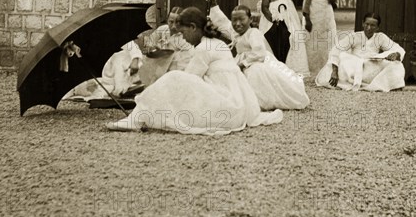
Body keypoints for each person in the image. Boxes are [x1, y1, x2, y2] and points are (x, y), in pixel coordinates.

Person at [106, 7, 284, 134]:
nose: (182, 37)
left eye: (183, 33)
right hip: (236, 103)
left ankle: (138, 117)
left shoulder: (203, 49)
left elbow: (188, 79)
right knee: (174, 79)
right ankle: (141, 115)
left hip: (227, 106)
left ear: (193, 27)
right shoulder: (217, 43)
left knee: (174, 77)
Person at [64, 6, 193, 101]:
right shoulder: (163, 30)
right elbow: (149, 44)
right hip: (153, 62)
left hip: (169, 67)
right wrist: (150, 49)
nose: (174, 26)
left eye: (178, 22)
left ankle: (130, 89)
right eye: (171, 22)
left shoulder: (185, 38)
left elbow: (184, 61)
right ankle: (125, 88)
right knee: (120, 57)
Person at [206, 0, 309, 111]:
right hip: (244, 60)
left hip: (257, 61)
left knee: (255, 74)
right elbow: (223, 22)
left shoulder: (253, 33)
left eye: (242, 19)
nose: (238, 24)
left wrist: (242, 64)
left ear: (250, 20)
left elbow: (259, 53)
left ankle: (258, 102)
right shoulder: (235, 32)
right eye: (234, 20)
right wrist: (213, 4)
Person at [315, 12, 406, 91]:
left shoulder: (380, 37)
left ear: (377, 27)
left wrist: (396, 54)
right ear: (363, 24)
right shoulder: (354, 36)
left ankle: (389, 84)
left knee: (397, 64)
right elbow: (337, 49)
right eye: (367, 24)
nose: (369, 28)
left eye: (373, 25)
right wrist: (334, 71)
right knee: (341, 56)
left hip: (371, 68)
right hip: (353, 68)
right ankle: (350, 81)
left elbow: (398, 48)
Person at [258, 0, 310, 76]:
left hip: (290, 18)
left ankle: (292, 67)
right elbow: (264, 7)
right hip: (275, 18)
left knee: (294, 38)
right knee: (275, 42)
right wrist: (272, 18)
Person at [302, 0, 338, 76]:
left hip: (327, 16)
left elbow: (335, 5)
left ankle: (326, 67)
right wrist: (307, 18)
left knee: (328, 41)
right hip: (315, 15)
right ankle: (313, 68)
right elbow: (306, 2)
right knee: (313, 40)